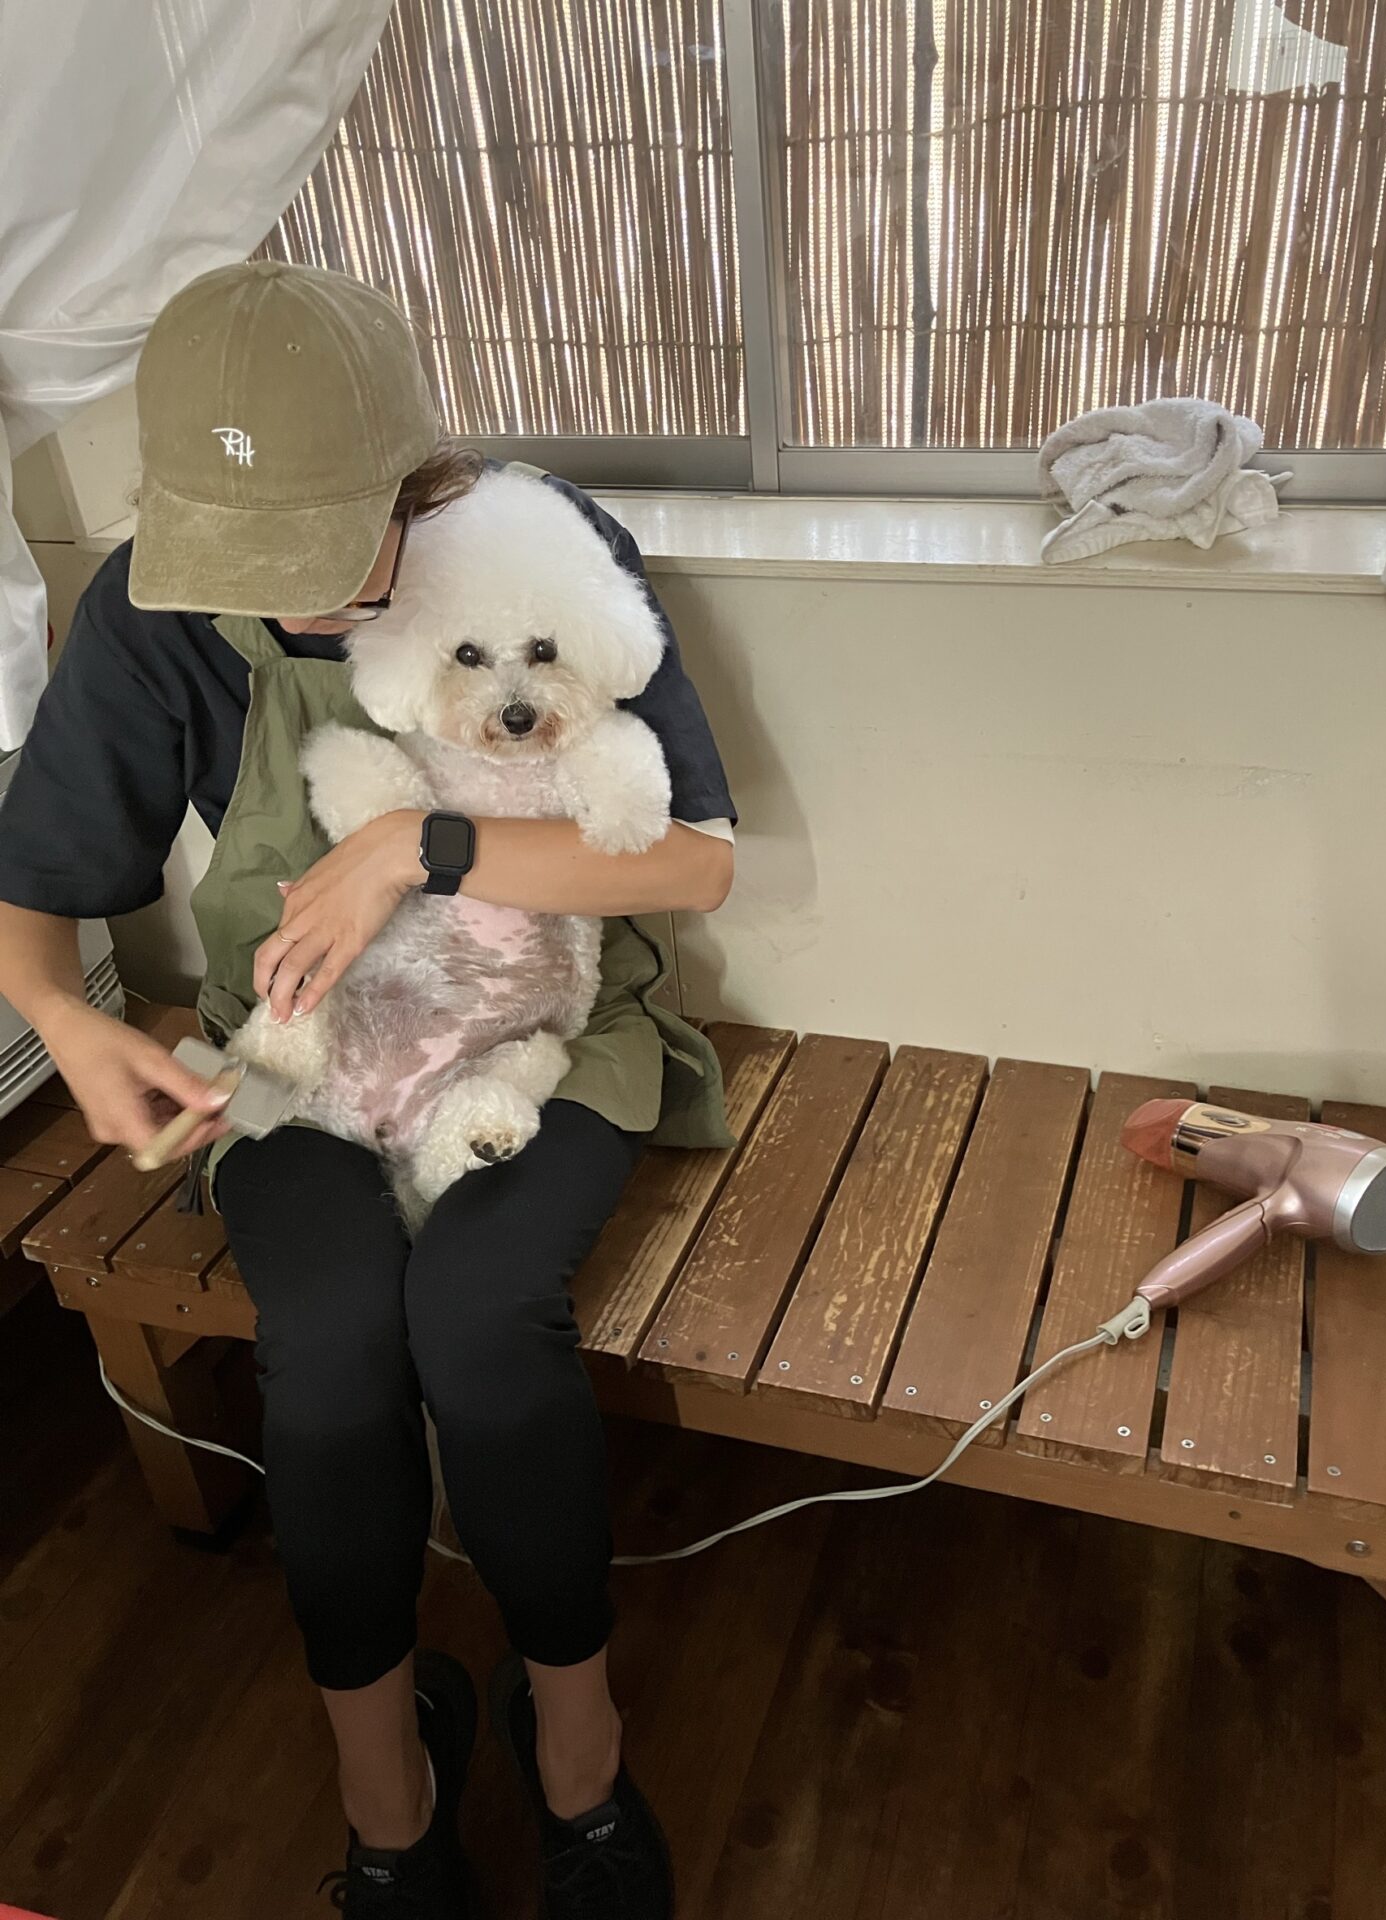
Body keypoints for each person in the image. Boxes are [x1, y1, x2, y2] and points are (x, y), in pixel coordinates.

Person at [0, 261, 735, 1919]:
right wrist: (61, 1014)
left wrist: (417, 842)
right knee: (327, 1348)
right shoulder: (150, 608)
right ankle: (385, 1793)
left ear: (417, 481)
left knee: (480, 1316)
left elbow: (693, 862)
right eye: (258, 563)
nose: (310, 602)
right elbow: (33, 888)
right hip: (308, 1040)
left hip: (541, 1026)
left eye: (341, 553)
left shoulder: (537, 547)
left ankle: (580, 1753)